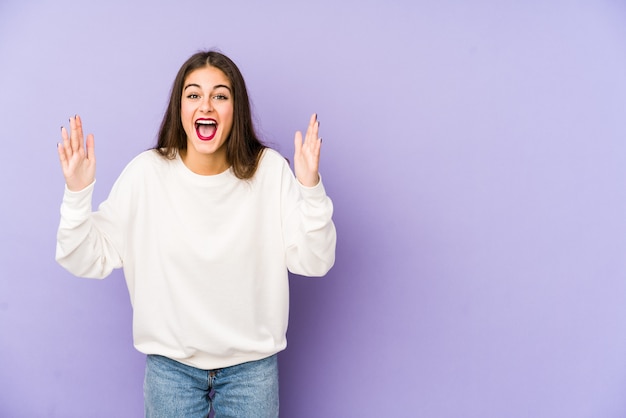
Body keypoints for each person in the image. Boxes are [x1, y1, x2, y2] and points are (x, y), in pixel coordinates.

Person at [55, 50, 336, 418]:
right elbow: (84, 257)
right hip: (170, 371)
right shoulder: (147, 174)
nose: (206, 105)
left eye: (220, 95)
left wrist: (310, 188)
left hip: (251, 371)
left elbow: (314, 262)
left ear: (236, 109)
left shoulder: (269, 172)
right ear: (180, 108)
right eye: (193, 95)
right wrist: (77, 194)